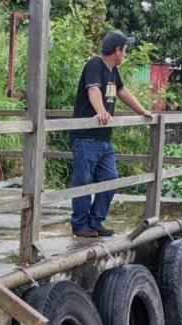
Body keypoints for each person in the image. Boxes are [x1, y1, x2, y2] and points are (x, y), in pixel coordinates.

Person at [69, 30, 153, 237]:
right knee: (84, 181)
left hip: (104, 139)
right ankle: (80, 225)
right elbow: (93, 90)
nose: (125, 54)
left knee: (110, 179)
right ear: (118, 50)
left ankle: (96, 221)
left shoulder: (113, 71)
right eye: (125, 50)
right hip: (86, 137)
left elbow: (122, 92)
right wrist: (101, 111)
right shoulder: (95, 65)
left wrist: (142, 111)